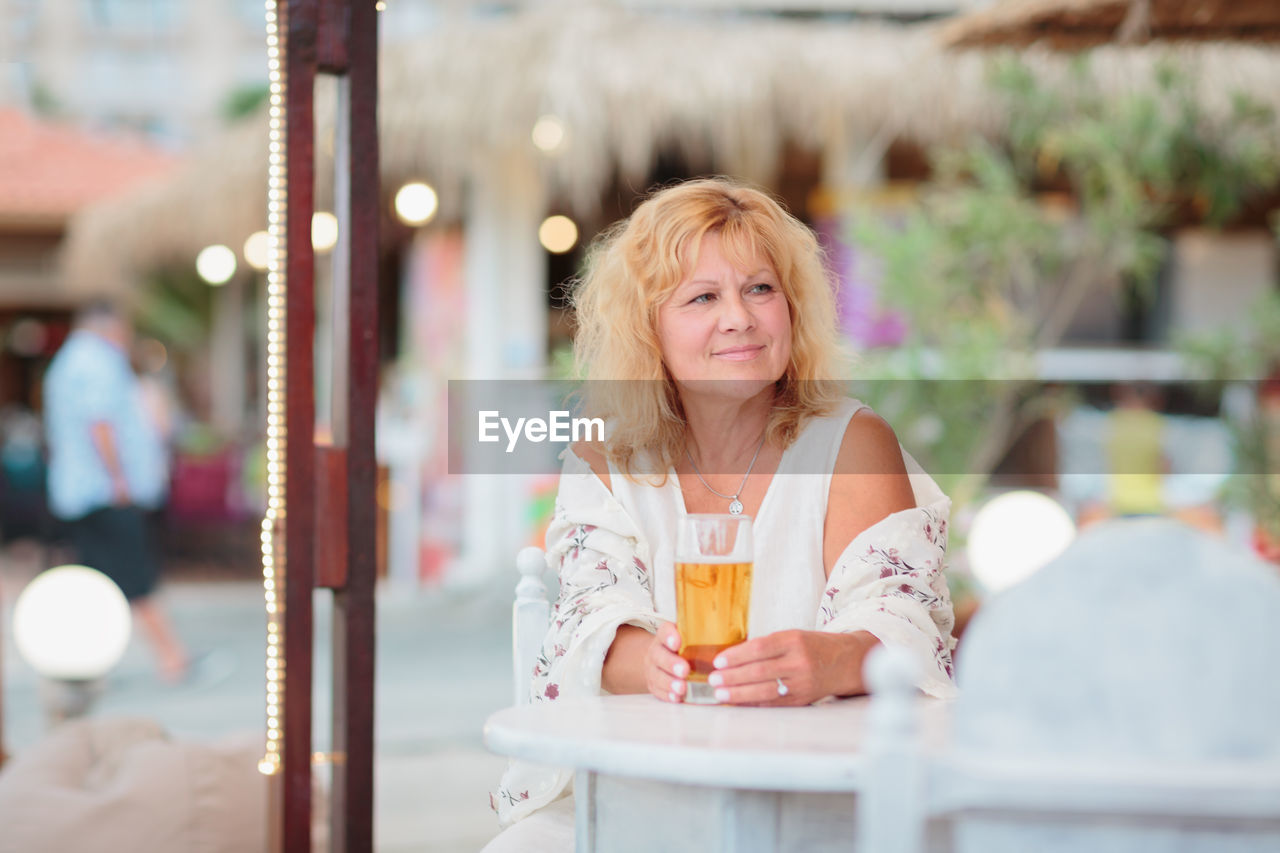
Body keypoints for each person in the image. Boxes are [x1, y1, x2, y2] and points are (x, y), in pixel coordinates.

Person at [484, 179, 956, 850]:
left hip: (813, 792)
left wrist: (829, 660)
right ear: (648, 328)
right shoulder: (607, 452)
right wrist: (654, 660)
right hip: (642, 784)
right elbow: (587, 621)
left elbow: (904, 618)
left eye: (760, 289)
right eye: (703, 297)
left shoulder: (852, 441)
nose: (739, 316)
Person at [43, 300, 190, 682]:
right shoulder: (95, 361)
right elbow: (100, 424)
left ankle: (84, 666)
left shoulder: (69, 361)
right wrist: (119, 478)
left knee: (98, 578)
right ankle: (171, 656)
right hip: (103, 491)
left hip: (84, 491)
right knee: (132, 574)